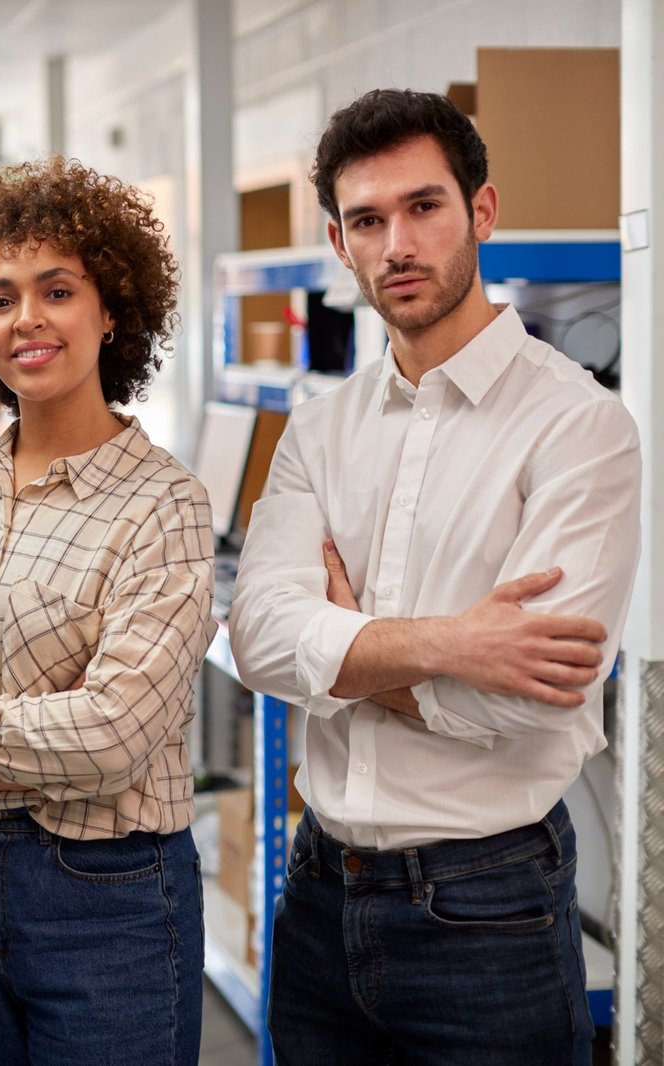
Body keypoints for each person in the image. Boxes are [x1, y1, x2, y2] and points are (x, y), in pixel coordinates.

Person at [229, 88, 641, 1064]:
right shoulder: (320, 430)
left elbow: (540, 699)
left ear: (481, 212)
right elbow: (259, 638)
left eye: (423, 208)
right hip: (319, 895)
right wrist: (458, 645)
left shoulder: (579, 430)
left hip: (487, 910)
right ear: (338, 241)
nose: (396, 244)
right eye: (367, 220)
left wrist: (348, 650)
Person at [0, 156, 216, 1066]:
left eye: (56, 290)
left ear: (111, 310)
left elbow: (113, 734)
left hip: (110, 895)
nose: (26, 318)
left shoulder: (164, 505)